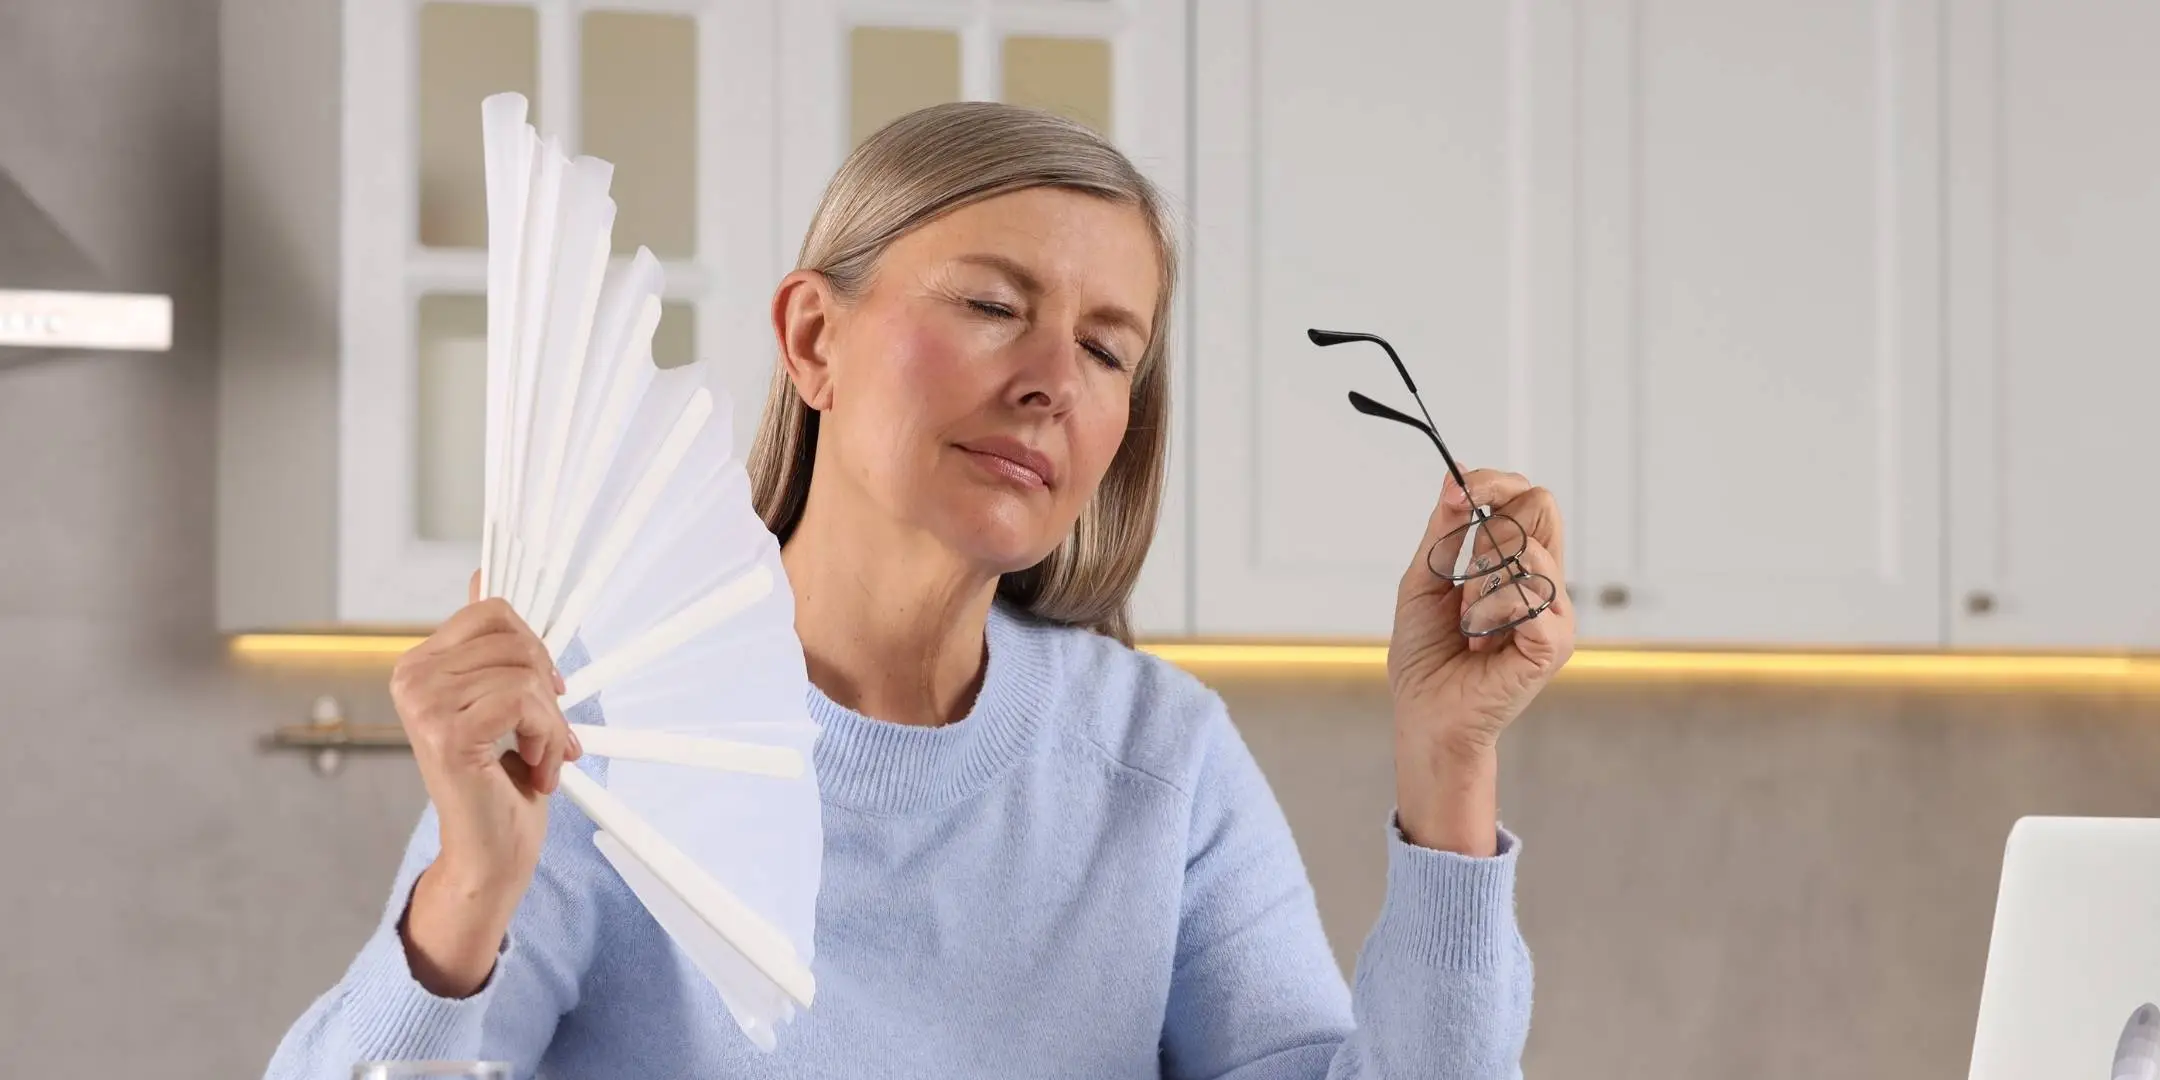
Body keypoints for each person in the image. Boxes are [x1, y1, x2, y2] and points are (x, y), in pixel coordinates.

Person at [265, 102, 1575, 1078]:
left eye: (1110, 348)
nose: (1054, 378)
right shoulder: (592, 724)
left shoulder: (1155, 757)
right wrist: (469, 895)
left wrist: (1448, 763)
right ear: (811, 338)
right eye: (995, 306)